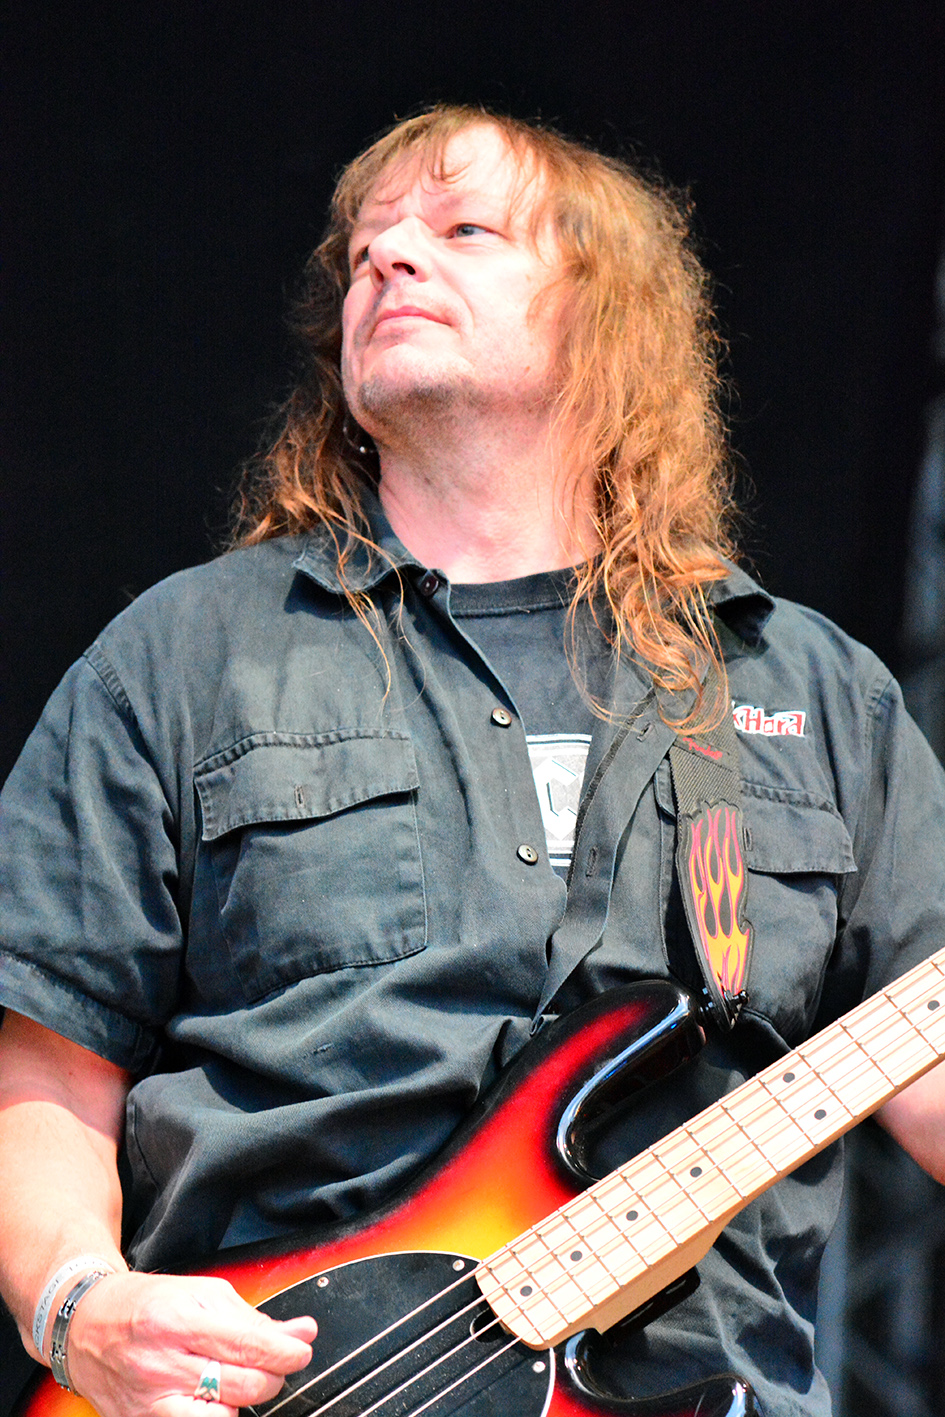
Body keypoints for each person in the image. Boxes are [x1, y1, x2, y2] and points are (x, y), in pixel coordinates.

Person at [1, 103, 944, 1417]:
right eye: (366, 249)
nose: (388, 258)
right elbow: (46, 1070)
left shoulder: (809, 691)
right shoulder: (184, 656)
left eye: (461, 230)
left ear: (605, 315)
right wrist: (76, 1306)